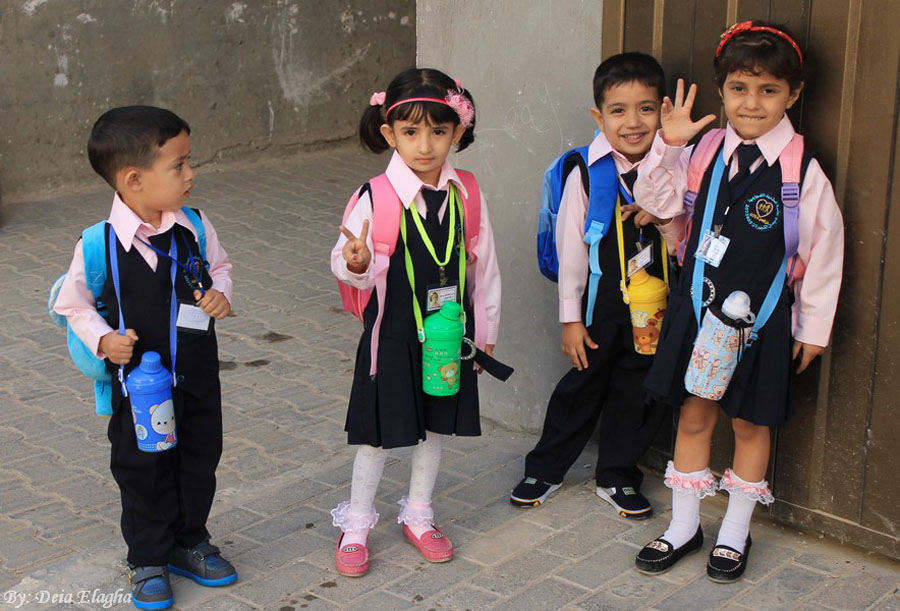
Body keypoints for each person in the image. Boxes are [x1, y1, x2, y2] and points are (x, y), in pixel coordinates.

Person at [631, 22, 844, 582]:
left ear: (793, 94)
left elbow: (825, 250)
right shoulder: (704, 151)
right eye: (739, 88)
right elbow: (655, 201)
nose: (752, 103)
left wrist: (813, 328)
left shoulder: (801, 168)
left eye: (769, 90)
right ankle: (684, 526)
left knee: (750, 424)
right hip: (697, 309)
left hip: (762, 322)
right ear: (722, 91)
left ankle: (733, 532)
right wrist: (668, 147)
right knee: (692, 414)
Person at [54, 106, 236, 609]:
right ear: (134, 179)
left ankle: (189, 541)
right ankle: (148, 556)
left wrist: (220, 293)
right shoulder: (98, 244)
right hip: (138, 389)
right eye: (178, 165)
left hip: (197, 378)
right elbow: (73, 305)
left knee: (199, 459)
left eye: (188, 161)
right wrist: (104, 340)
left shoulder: (194, 226)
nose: (191, 174)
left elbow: (220, 268)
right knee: (141, 468)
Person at [330, 68, 501, 577]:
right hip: (394, 336)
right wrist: (357, 261)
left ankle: (419, 514)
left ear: (457, 131)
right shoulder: (375, 196)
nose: (425, 146)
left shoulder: (467, 192)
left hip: (447, 334)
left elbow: (484, 268)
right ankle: (356, 524)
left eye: (438, 131)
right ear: (389, 133)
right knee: (377, 435)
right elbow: (346, 260)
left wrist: (484, 336)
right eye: (410, 132)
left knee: (434, 427)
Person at [510, 53, 670, 519]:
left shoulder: (673, 168)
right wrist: (571, 319)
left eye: (646, 108)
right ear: (599, 117)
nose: (633, 122)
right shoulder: (586, 170)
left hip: (653, 309)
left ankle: (618, 475)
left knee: (638, 391)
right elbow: (572, 251)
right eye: (619, 110)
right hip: (598, 308)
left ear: (662, 110)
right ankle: (546, 468)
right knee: (581, 387)